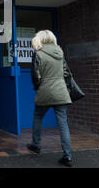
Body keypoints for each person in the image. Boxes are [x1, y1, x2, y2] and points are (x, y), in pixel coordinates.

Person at [26, 30, 73, 167]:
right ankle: (67, 156)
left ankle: (36, 144)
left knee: (38, 116)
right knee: (63, 124)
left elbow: (35, 76)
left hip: (45, 91)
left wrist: (37, 87)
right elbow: (66, 73)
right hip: (61, 92)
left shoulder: (38, 53)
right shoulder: (60, 52)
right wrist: (66, 89)